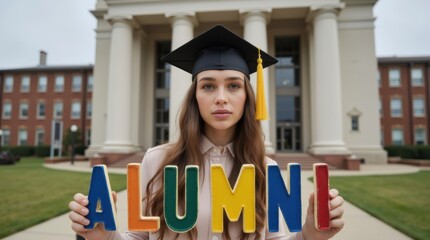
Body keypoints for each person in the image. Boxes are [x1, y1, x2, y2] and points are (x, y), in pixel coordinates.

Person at [69, 25, 344, 240]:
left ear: (248, 97)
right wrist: (104, 236)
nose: (221, 98)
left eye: (234, 86)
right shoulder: (157, 161)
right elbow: (141, 236)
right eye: (209, 86)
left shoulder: (265, 168)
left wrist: (310, 234)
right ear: (195, 96)